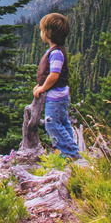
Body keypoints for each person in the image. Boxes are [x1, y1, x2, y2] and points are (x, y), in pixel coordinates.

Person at [32, 12, 80, 160]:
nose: (40, 33)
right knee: (63, 123)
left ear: (48, 33)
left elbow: (54, 75)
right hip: (59, 96)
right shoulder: (54, 51)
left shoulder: (56, 53)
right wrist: (39, 85)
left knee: (52, 125)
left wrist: (43, 88)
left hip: (56, 97)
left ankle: (71, 152)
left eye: (42, 30)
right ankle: (69, 151)